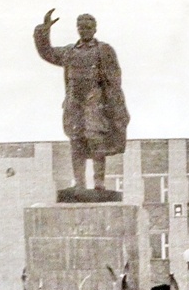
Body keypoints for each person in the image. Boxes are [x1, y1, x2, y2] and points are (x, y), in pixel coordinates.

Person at [34, 10, 129, 190]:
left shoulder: (104, 50)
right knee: (76, 140)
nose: (84, 30)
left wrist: (111, 103)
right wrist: (43, 32)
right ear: (77, 29)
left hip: (95, 101)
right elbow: (48, 53)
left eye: (88, 27)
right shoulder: (70, 51)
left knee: (96, 139)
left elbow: (115, 78)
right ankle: (79, 183)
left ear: (94, 29)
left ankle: (99, 182)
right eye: (81, 27)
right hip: (74, 102)